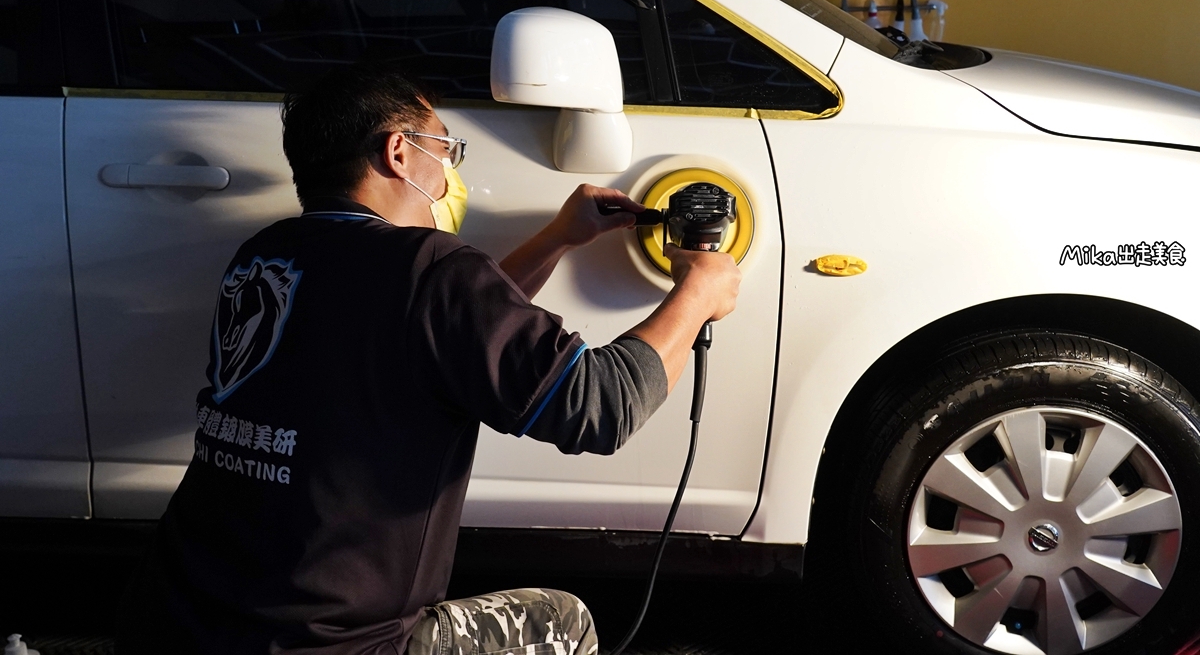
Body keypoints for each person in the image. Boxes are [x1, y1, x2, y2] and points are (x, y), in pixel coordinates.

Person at [116, 61, 741, 655]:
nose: (449, 171)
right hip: (339, 645)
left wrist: (557, 239)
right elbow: (601, 408)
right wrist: (698, 292)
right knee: (565, 623)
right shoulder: (431, 269)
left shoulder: (267, 257)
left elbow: (444, 337)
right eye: (445, 148)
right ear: (397, 152)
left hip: (179, 619)